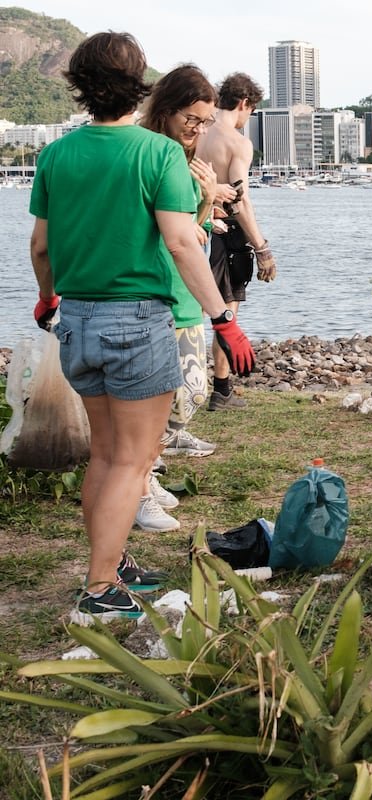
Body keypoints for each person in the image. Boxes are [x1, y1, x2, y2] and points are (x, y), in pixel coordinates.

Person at [30, 32, 255, 624]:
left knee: (106, 456)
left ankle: (113, 561)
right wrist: (224, 319)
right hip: (136, 319)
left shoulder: (56, 154)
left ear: (82, 84)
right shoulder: (156, 156)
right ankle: (100, 589)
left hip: (75, 318)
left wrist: (46, 298)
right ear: (139, 85)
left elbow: (41, 246)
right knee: (133, 460)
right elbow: (184, 242)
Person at [136, 64, 239, 531]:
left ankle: (148, 471)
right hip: (165, 290)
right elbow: (179, 237)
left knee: (187, 393)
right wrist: (204, 198)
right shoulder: (157, 155)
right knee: (168, 396)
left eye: (203, 122)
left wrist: (203, 201)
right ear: (167, 108)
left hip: (185, 291)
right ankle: (144, 478)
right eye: (192, 120)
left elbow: (191, 231)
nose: (197, 129)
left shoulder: (181, 153)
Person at [195, 72, 274, 410]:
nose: (247, 120)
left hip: (192, 222)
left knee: (189, 309)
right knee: (226, 310)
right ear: (244, 104)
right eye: (250, 113)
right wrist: (262, 247)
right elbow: (239, 199)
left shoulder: (195, 131)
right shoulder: (237, 142)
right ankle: (222, 389)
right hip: (226, 232)